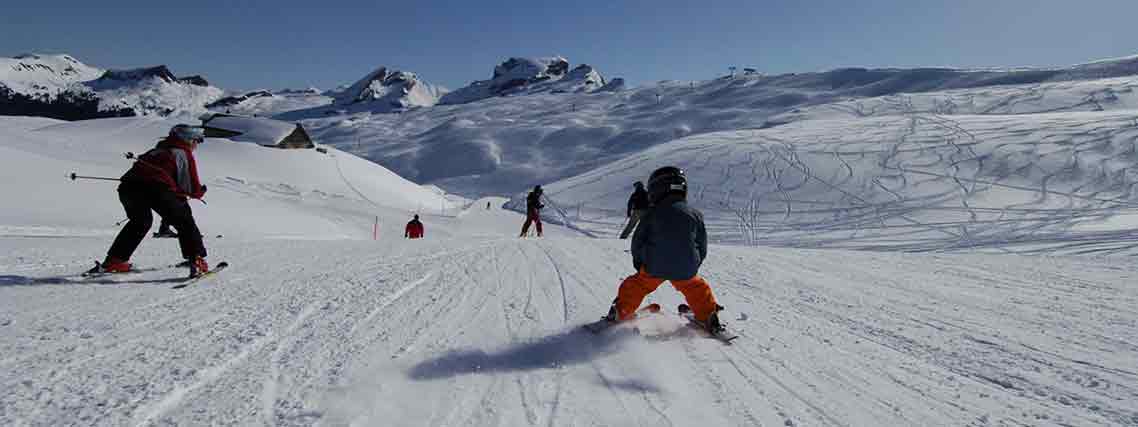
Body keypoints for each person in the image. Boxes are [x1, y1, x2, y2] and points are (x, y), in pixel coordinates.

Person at [604, 166, 724, 332]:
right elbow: (702, 244)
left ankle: (621, 312)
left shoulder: (651, 213)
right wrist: (693, 263)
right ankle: (708, 317)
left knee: (635, 286)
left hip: (654, 266)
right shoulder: (695, 214)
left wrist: (639, 263)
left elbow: (638, 241)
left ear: (656, 190)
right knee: (697, 288)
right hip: (685, 267)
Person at [93, 124, 211, 277]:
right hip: (157, 189)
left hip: (128, 188)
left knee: (140, 222)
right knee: (184, 221)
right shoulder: (181, 152)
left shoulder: (155, 151)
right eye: (197, 140)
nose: (197, 144)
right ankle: (196, 260)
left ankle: (114, 261)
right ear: (188, 140)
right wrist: (199, 192)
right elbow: (189, 186)